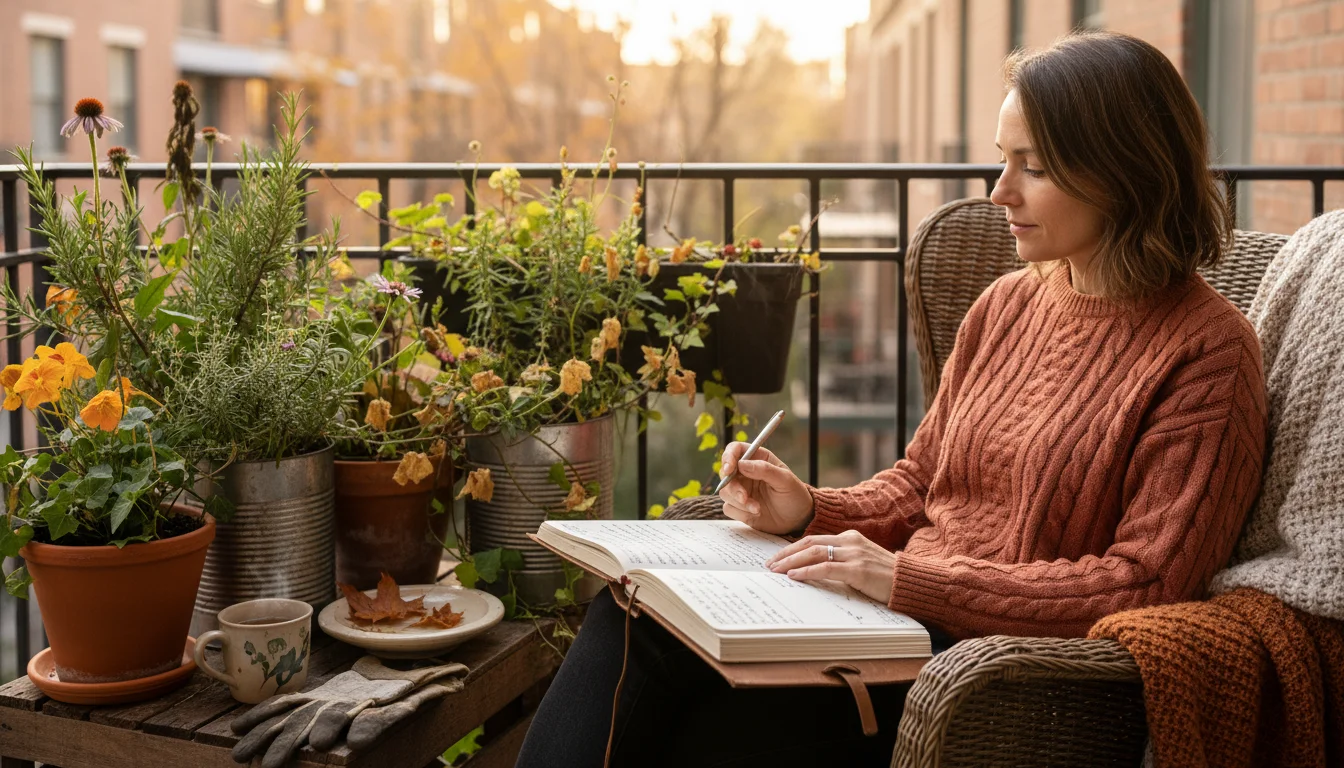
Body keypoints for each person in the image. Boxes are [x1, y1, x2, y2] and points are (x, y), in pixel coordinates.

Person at [516, 30, 1267, 768]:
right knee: (634, 608)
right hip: (883, 620)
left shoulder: (1208, 353)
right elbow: (920, 485)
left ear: (1122, 171)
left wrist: (908, 579)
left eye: (1032, 167)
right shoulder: (1007, 304)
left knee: (695, 734)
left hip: (987, 674)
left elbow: (1147, 583)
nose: (999, 192)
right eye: (1003, 160)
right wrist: (810, 510)